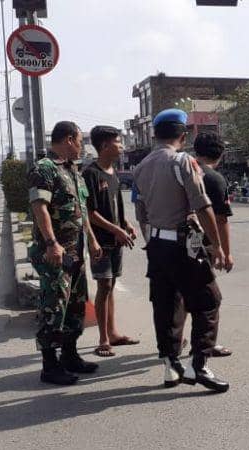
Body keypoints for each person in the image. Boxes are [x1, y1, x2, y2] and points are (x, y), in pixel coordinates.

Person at [132, 108, 229, 393]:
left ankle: (170, 364)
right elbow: (202, 205)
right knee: (209, 300)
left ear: (154, 135)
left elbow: (141, 213)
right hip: (182, 244)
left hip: (157, 244)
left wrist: (151, 242)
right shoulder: (183, 161)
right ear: (183, 136)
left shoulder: (140, 167)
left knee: (166, 304)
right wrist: (218, 246)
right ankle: (198, 364)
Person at [29, 121, 104, 386]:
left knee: (75, 306)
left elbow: (81, 211)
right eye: (81, 141)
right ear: (69, 139)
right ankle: (50, 366)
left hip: (75, 253)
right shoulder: (45, 169)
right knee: (53, 307)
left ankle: (70, 356)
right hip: (55, 253)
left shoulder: (73, 171)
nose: (83, 146)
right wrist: (51, 243)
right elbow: (40, 207)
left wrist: (92, 241)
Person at [174, 131, 235, 358]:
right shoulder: (213, 179)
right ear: (221, 154)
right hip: (202, 244)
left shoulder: (179, 171)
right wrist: (226, 253)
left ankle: (177, 340)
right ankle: (204, 347)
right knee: (208, 298)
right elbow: (220, 219)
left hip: (174, 241)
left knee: (181, 293)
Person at [82, 125, 140, 358]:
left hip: (116, 240)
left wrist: (126, 224)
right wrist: (116, 229)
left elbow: (117, 205)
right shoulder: (91, 173)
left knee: (111, 285)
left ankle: (113, 333)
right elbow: (90, 212)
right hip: (101, 242)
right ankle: (103, 339)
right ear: (105, 145)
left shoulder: (113, 172)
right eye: (118, 142)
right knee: (104, 286)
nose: (122, 146)